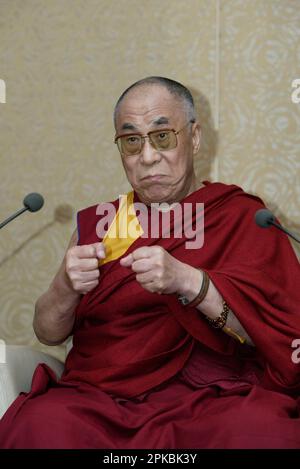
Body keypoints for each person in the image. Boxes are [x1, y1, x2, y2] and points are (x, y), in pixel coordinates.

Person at [0, 76, 300, 449]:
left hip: (213, 397)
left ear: (193, 137)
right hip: (102, 399)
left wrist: (191, 282)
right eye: (131, 141)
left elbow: (278, 336)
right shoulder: (100, 225)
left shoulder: (240, 217)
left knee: (264, 432)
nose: (147, 157)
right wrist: (65, 284)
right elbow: (48, 333)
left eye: (162, 137)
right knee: (41, 424)